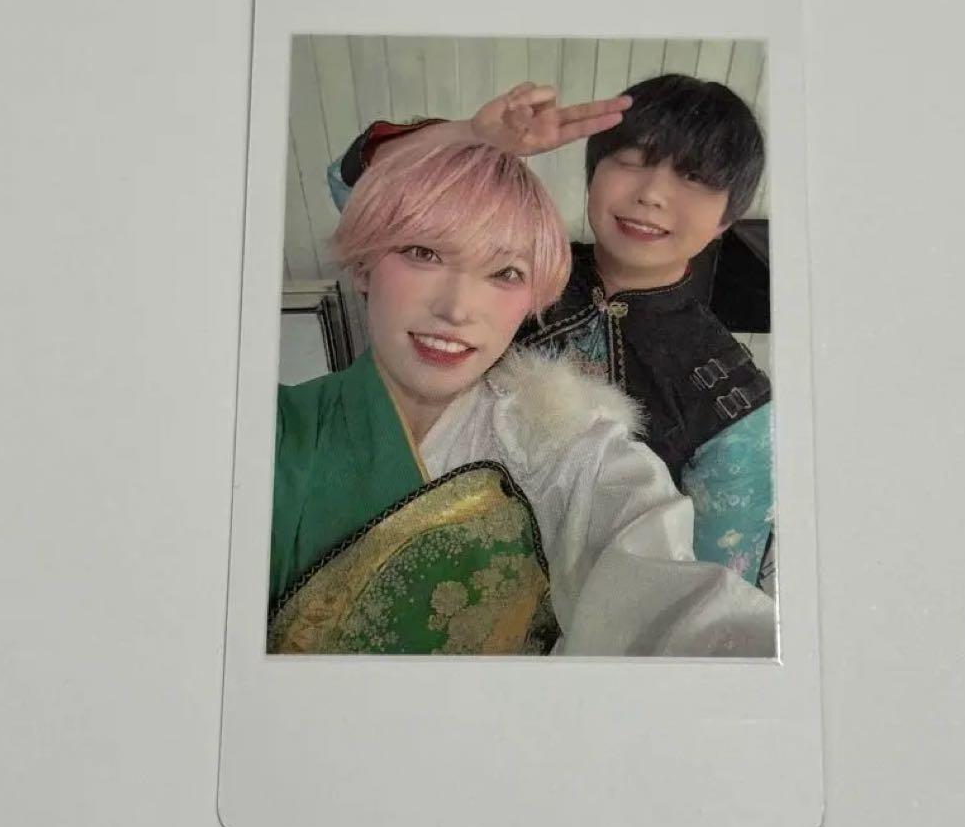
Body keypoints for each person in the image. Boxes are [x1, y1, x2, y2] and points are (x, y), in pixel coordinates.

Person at [270, 138, 774, 656]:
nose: (457, 309)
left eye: (505, 273)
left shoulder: (567, 447)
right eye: (423, 253)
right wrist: (474, 135)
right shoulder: (270, 434)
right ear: (363, 265)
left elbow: (678, 603)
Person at [326, 74, 775, 588]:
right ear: (593, 171)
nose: (652, 194)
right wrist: (471, 136)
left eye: (693, 177)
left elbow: (714, 594)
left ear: (726, 219)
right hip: (375, 536)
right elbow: (350, 186)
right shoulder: (510, 261)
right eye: (631, 160)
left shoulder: (737, 406)